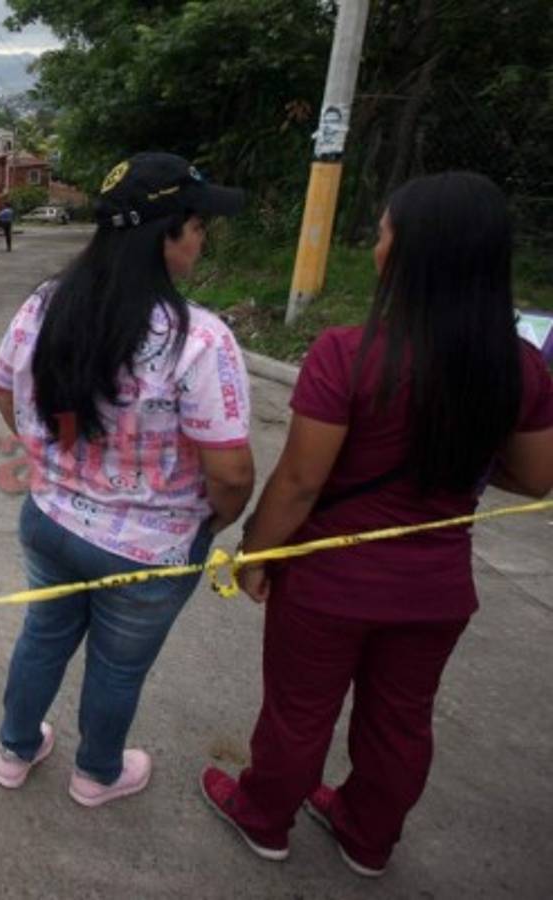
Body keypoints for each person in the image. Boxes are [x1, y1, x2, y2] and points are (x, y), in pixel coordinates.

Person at [200, 172, 553, 875]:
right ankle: (366, 836)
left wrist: (254, 553)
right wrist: (454, 471)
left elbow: (300, 481)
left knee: (299, 711)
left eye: (384, 232)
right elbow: (534, 475)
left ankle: (264, 816)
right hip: (437, 586)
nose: (375, 245)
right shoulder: (518, 367)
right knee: (399, 721)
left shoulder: (347, 353)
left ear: (410, 252)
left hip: (329, 581)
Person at [0, 153, 253, 806]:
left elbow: (1, 386)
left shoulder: (47, 304)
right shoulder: (198, 341)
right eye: (194, 224)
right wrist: (212, 521)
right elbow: (231, 472)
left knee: (41, 638)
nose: (202, 236)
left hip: (49, 519)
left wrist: (59, 456)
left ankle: (14, 752)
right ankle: (94, 775)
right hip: (150, 546)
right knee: (117, 667)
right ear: (161, 233)